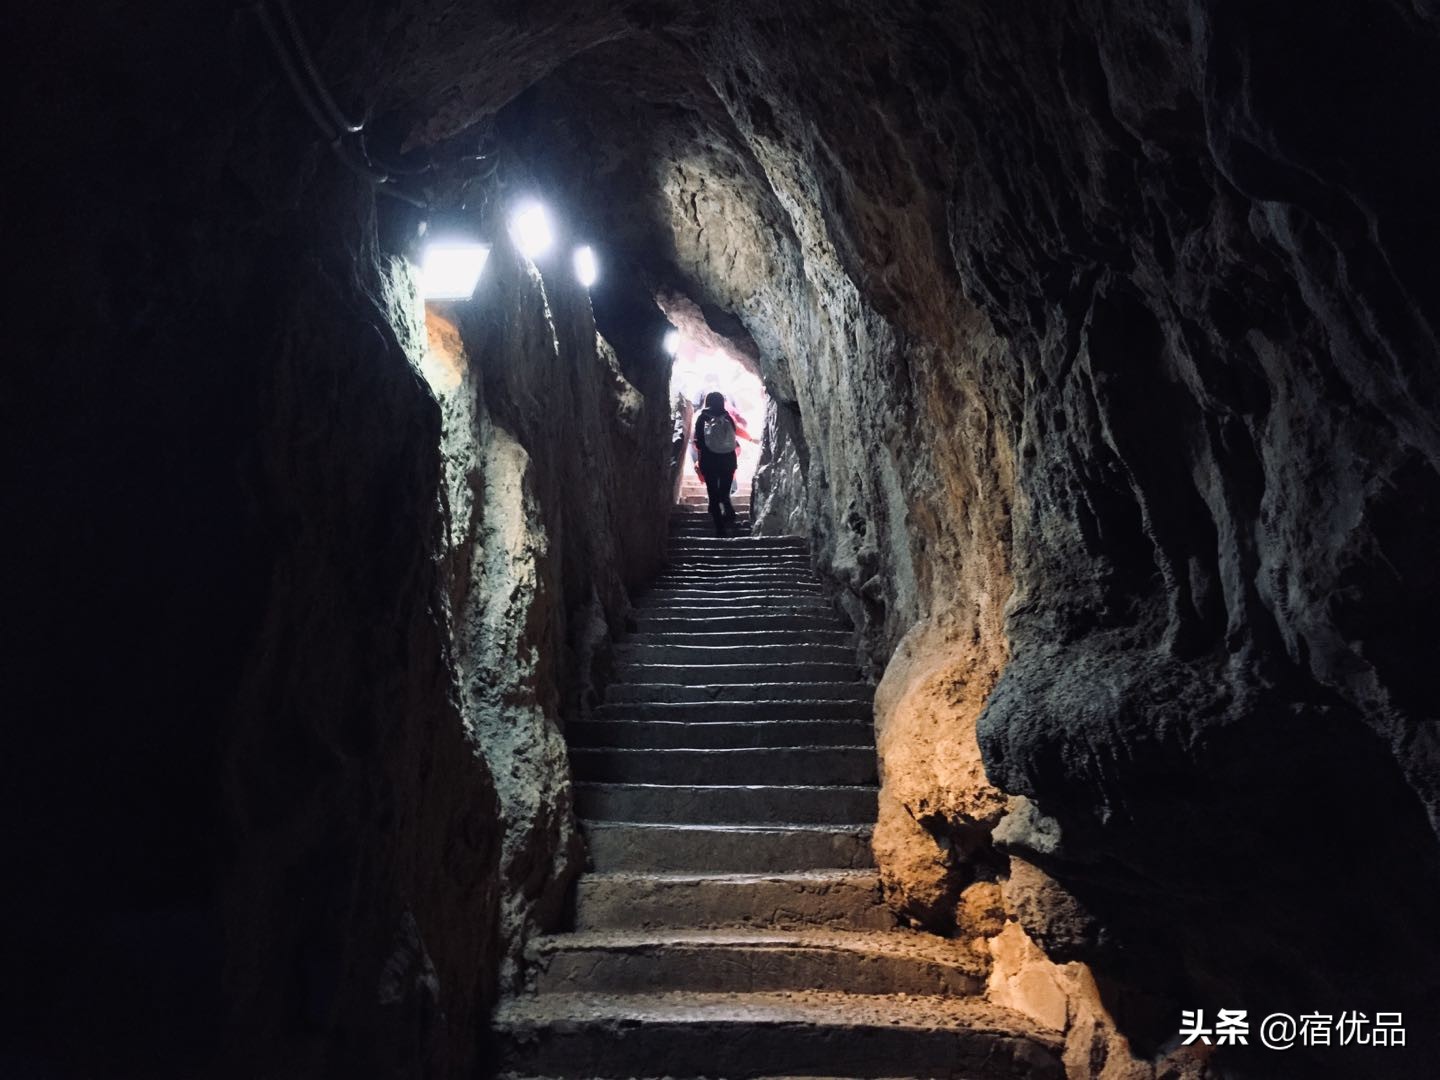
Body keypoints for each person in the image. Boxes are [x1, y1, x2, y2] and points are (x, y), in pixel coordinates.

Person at [693, 391, 739, 535]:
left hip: (710, 461)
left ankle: (720, 528)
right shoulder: (728, 418)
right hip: (728, 461)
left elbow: (698, 442)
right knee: (724, 493)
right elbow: (733, 437)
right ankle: (729, 511)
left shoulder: (702, 418)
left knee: (713, 494)